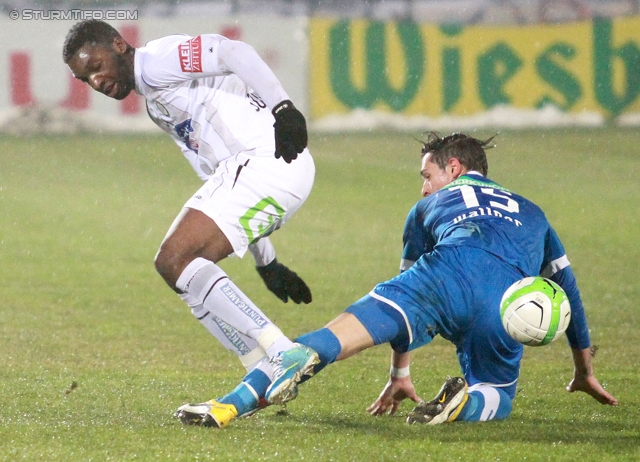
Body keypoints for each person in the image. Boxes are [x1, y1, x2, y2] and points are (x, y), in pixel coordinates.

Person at [176, 132, 618, 428]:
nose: (424, 187)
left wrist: (399, 371)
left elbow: (406, 299)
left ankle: (229, 406)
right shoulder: (533, 211)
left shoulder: (425, 210)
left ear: (455, 170)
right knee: (498, 394)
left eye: (427, 176)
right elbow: (569, 289)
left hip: (438, 277)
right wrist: (583, 369)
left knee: (321, 343)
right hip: (504, 301)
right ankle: (465, 404)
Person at [62, 19, 319, 417]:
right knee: (180, 272)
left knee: (174, 258)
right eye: (85, 79)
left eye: (96, 66)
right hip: (268, 173)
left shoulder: (156, 61)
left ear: (118, 45)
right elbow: (219, 186)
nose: (95, 81)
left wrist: (283, 106)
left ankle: (281, 352)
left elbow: (233, 51)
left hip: (268, 158)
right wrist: (266, 262)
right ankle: (260, 375)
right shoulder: (156, 106)